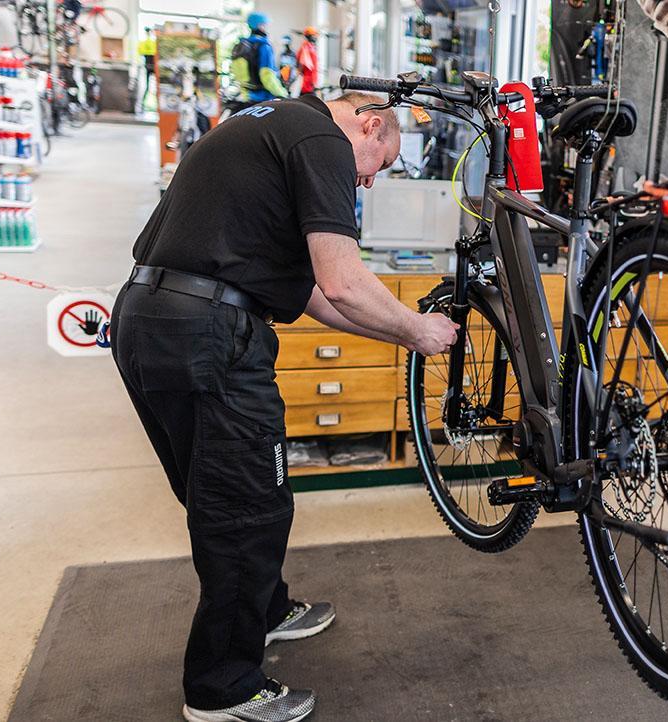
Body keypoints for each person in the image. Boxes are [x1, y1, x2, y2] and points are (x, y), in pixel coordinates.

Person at [110, 90, 459, 722]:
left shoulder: (266, 121)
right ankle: (222, 687)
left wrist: (398, 328)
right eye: (378, 164)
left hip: (150, 318)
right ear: (370, 124)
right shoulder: (322, 140)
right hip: (209, 334)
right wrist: (417, 329)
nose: (370, 182)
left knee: (221, 494)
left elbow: (313, 297)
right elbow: (344, 281)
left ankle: (264, 611)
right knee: (246, 507)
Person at [231, 13, 287, 105]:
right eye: (265, 25)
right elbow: (267, 76)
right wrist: (282, 94)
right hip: (264, 100)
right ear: (260, 26)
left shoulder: (243, 45)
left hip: (247, 98)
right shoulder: (264, 46)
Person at [296, 27, 319, 97]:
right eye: (314, 36)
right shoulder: (306, 47)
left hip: (310, 81)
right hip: (307, 82)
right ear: (310, 36)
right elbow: (301, 64)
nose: (316, 37)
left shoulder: (310, 47)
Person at [137, 27, 156, 113]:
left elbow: (141, 52)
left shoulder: (144, 42)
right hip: (151, 65)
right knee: (148, 87)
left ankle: (142, 105)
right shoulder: (152, 42)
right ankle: (142, 105)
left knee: (148, 87)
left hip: (149, 65)